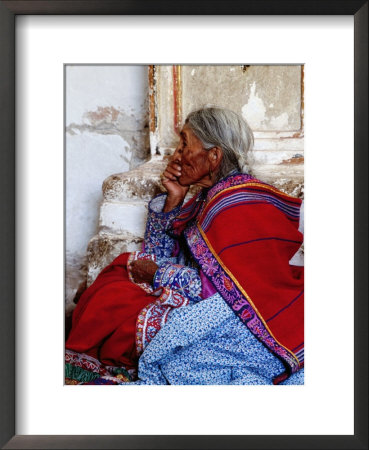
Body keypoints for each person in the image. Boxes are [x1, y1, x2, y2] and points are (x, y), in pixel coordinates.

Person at [66, 107, 304, 385]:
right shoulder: (210, 196)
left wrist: (158, 274)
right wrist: (173, 198)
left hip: (239, 317)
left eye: (184, 144)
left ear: (213, 156)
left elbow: (222, 290)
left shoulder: (234, 203)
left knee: (118, 305)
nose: (176, 155)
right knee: (119, 276)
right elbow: (159, 253)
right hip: (210, 299)